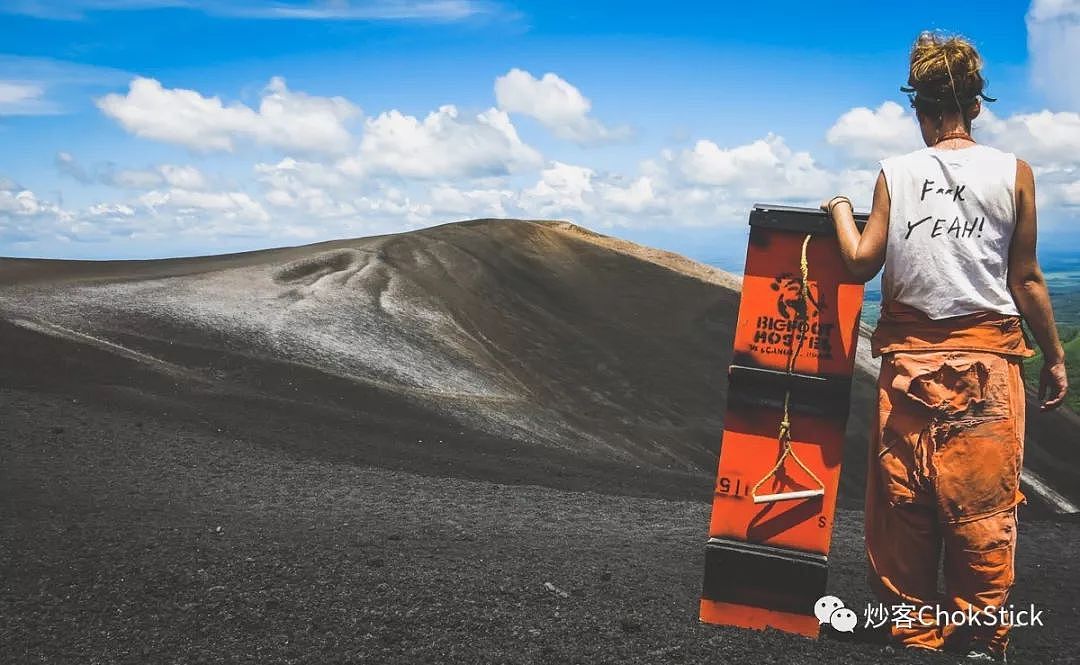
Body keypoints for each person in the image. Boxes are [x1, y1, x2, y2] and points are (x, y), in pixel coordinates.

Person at [822, 31, 1068, 662]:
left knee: (905, 509)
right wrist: (1056, 358)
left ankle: (910, 635)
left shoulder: (895, 174)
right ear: (977, 106)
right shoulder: (1015, 174)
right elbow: (1027, 279)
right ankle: (984, 640)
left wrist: (840, 210)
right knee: (983, 512)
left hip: (907, 370)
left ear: (919, 107)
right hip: (989, 370)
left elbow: (859, 263)